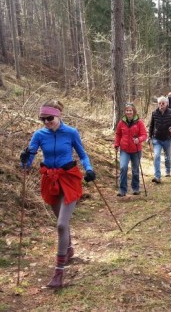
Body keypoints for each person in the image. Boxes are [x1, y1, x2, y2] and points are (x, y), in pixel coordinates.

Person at [19, 99, 96, 288]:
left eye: (49, 118)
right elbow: (28, 161)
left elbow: (83, 154)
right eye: (42, 119)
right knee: (61, 222)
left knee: (62, 224)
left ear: (58, 115)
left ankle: (58, 273)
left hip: (69, 179)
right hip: (50, 181)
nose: (46, 122)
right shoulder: (39, 135)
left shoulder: (71, 132)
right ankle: (68, 249)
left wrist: (89, 169)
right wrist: (24, 160)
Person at [114, 103, 147, 197]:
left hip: (136, 149)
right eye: (127, 110)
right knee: (123, 168)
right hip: (124, 149)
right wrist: (116, 144)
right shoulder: (121, 122)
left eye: (130, 110)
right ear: (125, 112)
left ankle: (135, 188)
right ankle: (122, 189)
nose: (129, 112)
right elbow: (118, 134)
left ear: (134, 111)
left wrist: (139, 139)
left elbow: (144, 135)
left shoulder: (139, 122)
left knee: (135, 170)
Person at [148, 96, 171, 184]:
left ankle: (168, 170)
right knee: (157, 156)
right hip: (156, 139)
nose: (161, 105)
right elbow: (151, 126)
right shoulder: (154, 113)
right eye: (159, 103)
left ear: (166, 104)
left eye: (163, 103)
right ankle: (157, 176)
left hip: (167, 138)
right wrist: (149, 136)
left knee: (167, 156)